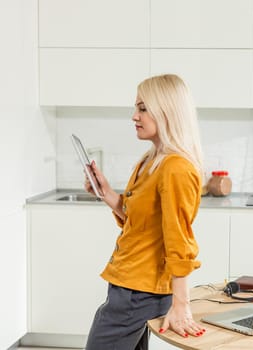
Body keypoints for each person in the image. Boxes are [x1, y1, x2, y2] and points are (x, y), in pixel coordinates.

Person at [83, 74, 206, 350]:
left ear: (166, 112)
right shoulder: (151, 162)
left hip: (137, 293)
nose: (134, 116)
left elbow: (178, 239)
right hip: (132, 286)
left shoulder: (175, 168)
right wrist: (107, 194)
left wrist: (181, 304)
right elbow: (143, 224)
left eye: (142, 108)